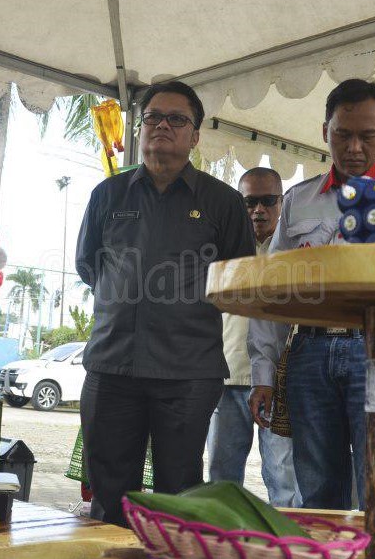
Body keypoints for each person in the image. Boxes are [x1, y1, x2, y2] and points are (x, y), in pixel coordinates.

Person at [75, 80, 256, 527]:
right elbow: (89, 266)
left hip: (188, 375)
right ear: (140, 128)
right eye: (153, 117)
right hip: (112, 368)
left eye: (177, 119)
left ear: (195, 136)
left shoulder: (224, 202)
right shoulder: (108, 195)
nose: (162, 126)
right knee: (109, 498)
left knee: (178, 498)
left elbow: (239, 278)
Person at [247, 79, 375, 511]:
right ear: (324, 131)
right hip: (309, 356)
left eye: (367, 136)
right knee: (319, 489)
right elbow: (272, 290)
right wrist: (263, 373)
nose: (354, 148)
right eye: (342, 134)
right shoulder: (298, 202)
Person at [206, 167, 301, 507]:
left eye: (268, 201)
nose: (258, 210)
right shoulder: (220, 249)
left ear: (282, 202)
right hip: (227, 377)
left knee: (283, 478)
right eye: (249, 202)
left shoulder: (294, 253)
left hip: (279, 380)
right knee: (222, 478)